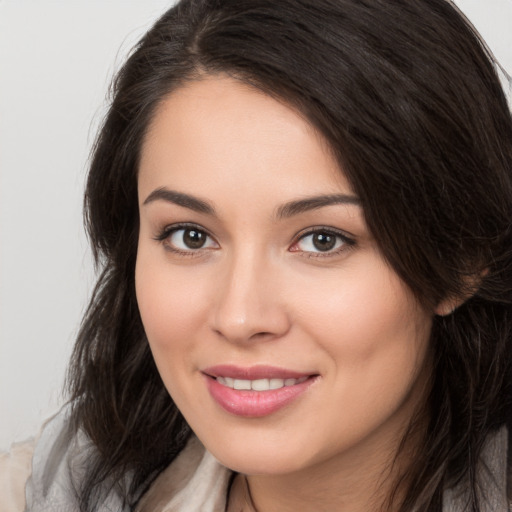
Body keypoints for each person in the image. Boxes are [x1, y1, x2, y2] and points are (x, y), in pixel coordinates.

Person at [4, 0, 512, 510]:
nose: (240, 317)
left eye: (322, 240)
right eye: (191, 236)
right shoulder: (33, 492)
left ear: (464, 256)